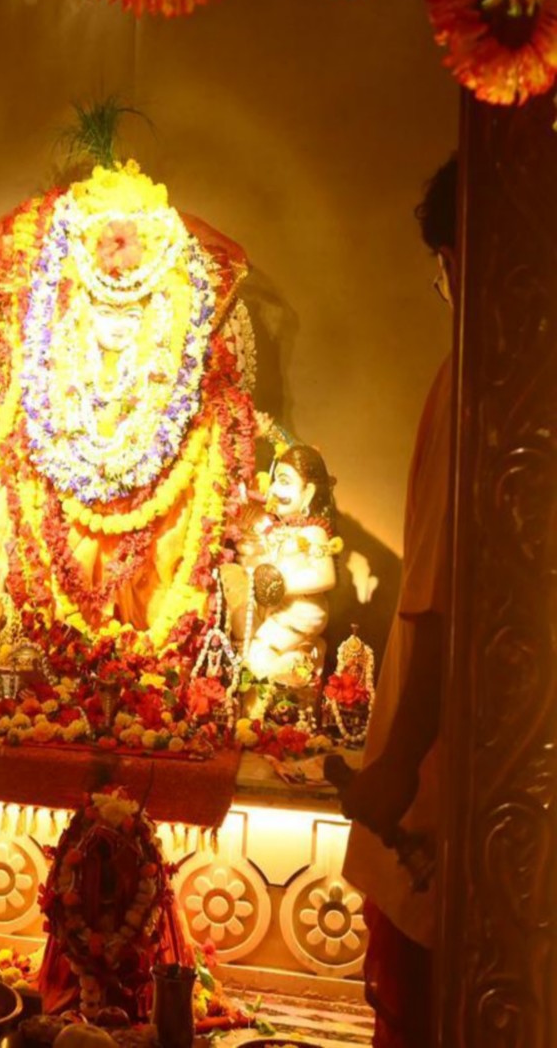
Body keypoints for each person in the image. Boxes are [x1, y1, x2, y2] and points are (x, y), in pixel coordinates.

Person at [339, 157, 458, 1048]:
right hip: (444, 748)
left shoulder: (485, 382)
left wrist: (400, 764)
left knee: (438, 994)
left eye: (448, 266)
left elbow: (442, 602)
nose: (447, 287)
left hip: (451, 763)